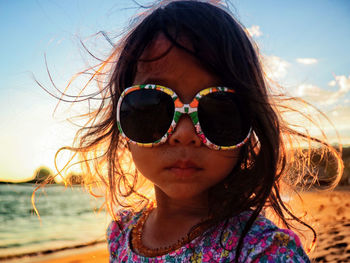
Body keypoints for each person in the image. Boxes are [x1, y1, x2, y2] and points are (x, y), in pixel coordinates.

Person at [54, 0, 343, 262]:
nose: (184, 133)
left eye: (219, 111)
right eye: (152, 108)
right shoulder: (121, 234)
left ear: (250, 124)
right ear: (122, 124)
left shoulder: (263, 252)